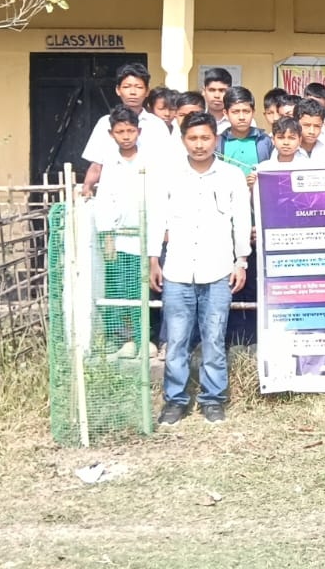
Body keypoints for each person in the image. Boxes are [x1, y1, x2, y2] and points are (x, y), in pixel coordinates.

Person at [147, 112, 251, 425]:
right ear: (183, 141)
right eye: (193, 138)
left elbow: (241, 221)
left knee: (214, 338)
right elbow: (156, 218)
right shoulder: (169, 174)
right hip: (177, 270)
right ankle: (175, 401)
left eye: (205, 137)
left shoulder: (231, 176)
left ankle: (213, 399)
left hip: (218, 270)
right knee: (177, 341)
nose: (199, 144)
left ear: (215, 139)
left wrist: (241, 261)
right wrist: (154, 259)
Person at [93, 106, 149, 360]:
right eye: (120, 132)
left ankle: (143, 339)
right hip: (119, 237)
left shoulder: (149, 160)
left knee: (142, 290)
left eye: (130, 131)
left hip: (146, 236)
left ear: (139, 131)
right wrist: (107, 236)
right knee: (119, 288)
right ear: (111, 134)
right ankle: (120, 340)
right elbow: (104, 201)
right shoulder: (110, 163)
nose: (126, 136)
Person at [82, 63, 166, 196]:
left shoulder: (157, 125)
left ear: (147, 91)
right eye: (127, 87)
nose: (133, 92)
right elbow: (96, 164)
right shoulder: (105, 123)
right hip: (113, 195)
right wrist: (87, 187)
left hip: (147, 195)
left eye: (139, 87)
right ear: (118, 90)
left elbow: (166, 164)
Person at [214, 86, 273, 181]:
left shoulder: (264, 140)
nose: (241, 117)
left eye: (246, 111)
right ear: (226, 113)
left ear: (253, 112)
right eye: (235, 112)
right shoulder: (218, 142)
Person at [201, 68, 234, 133]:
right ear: (203, 91)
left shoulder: (242, 120)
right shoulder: (195, 119)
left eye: (222, 90)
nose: (217, 95)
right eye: (212, 90)